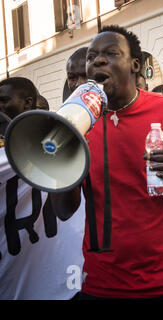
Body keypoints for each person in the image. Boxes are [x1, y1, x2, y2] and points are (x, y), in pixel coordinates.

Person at [50, 25, 163, 300]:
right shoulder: (75, 124)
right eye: (92, 57)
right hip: (101, 286)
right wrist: (61, 164)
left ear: (135, 65)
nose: (98, 61)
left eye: (111, 54)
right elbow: (64, 210)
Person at [0, 77, 84, 299]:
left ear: (28, 103)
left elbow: (67, 209)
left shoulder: (54, 139)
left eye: (3, 100)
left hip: (60, 276)